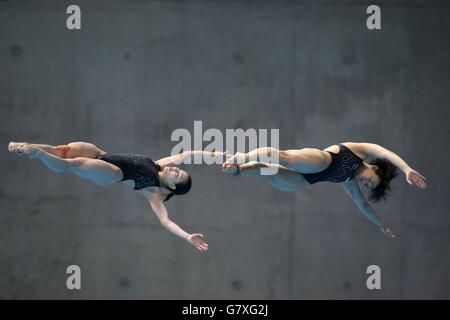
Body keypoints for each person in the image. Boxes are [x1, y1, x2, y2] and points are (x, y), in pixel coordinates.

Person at [8, 141, 223, 251]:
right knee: (62, 150)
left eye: (179, 176)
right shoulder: (160, 164)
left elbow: (165, 221)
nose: (177, 170)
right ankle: (27, 146)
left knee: (73, 164)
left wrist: (186, 236)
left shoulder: (152, 192)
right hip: (100, 153)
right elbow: (187, 154)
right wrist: (219, 155)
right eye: (180, 170)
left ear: (172, 188)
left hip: (110, 174)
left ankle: (36, 154)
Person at [222, 142, 427, 237]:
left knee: (267, 172)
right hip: (322, 161)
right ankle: (242, 157)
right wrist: (407, 169)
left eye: (368, 186)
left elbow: (361, 204)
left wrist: (380, 224)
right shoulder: (360, 151)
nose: (365, 184)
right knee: (282, 157)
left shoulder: (349, 181)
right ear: (374, 168)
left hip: (305, 180)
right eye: (370, 180)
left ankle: (236, 169)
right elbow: (383, 151)